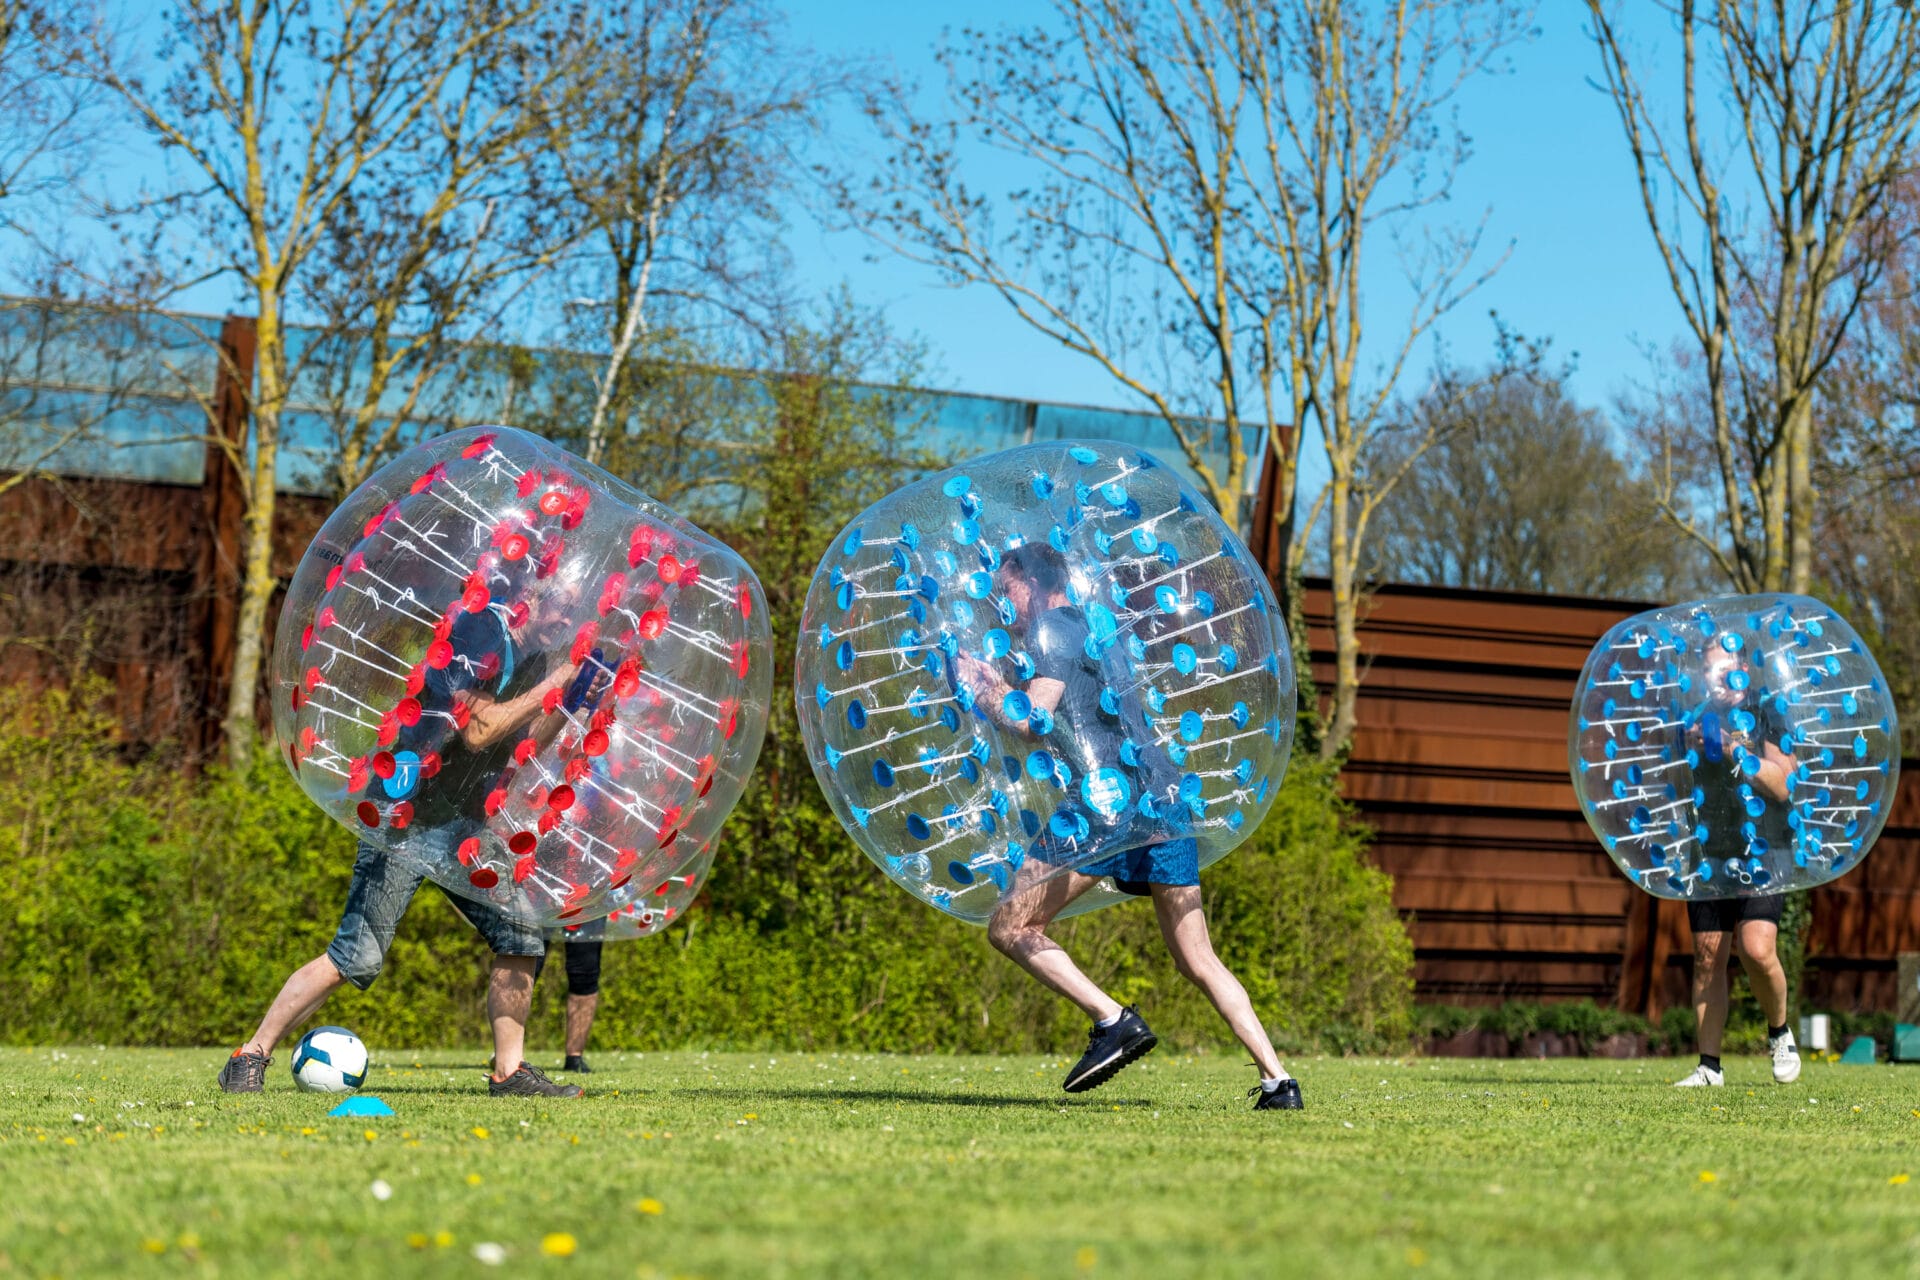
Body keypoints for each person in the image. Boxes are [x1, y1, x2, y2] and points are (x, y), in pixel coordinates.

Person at [219, 562, 602, 1099]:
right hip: (406, 815)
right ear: (531, 598)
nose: (569, 620)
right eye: (562, 605)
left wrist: (573, 701)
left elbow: (523, 744)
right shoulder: (479, 632)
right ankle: (249, 1055)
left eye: (575, 611)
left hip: (462, 822)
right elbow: (477, 730)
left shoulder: (535, 658)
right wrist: (557, 682)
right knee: (356, 957)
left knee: (520, 935)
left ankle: (509, 1073)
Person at [951, 542, 1301, 1111]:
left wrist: (982, 688)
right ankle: (1278, 1082)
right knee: (1198, 958)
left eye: (1007, 590)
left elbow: (1033, 719)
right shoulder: (1093, 631)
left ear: (1038, 585)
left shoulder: (1053, 632)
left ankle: (1112, 1020)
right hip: (1162, 796)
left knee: (1010, 925)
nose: (1001, 604)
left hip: (1105, 801)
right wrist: (999, 680)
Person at [1673, 639, 1802, 1088]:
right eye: (1709, 673)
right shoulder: (1693, 717)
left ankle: (1779, 1032)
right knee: (1708, 958)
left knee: (1757, 948)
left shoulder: (1768, 711)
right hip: (1710, 850)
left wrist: (1734, 751)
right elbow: (1672, 786)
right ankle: (1709, 1067)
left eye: (1724, 671)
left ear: (1743, 667)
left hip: (1765, 847)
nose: (1717, 681)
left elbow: (1784, 785)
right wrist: (1684, 753)